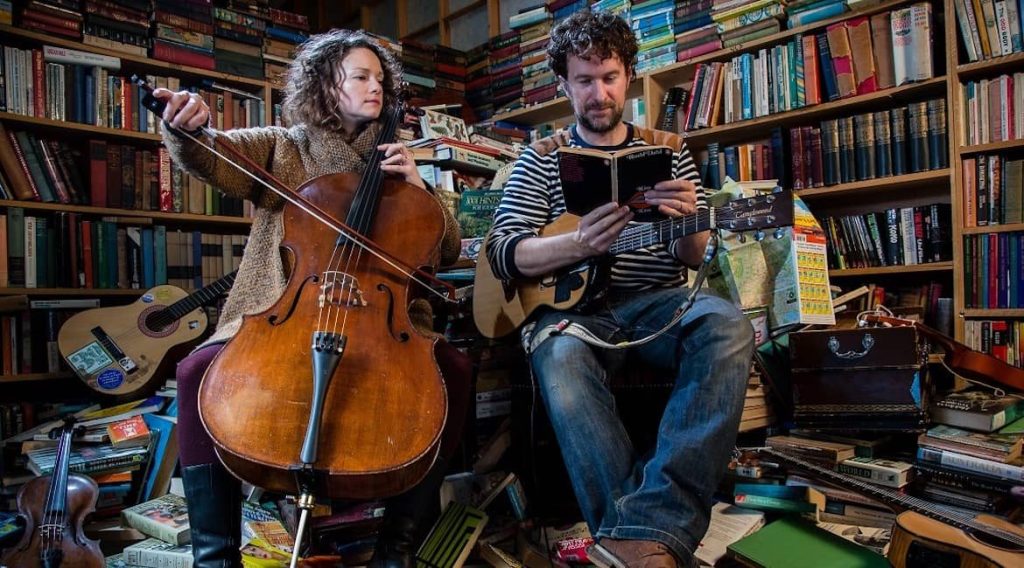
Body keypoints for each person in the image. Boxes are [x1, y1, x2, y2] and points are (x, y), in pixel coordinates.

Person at [155, 29, 471, 568]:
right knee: (194, 371)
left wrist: (421, 190)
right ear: (327, 85)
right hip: (286, 308)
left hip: (385, 322)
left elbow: (444, 248)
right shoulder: (284, 145)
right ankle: (216, 556)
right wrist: (184, 129)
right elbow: (213, 156)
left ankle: (396, 552)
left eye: (381, 78)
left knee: (457, 373)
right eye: (361, 76)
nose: (376, 87)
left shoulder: (399, 160)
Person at [484, 11, 753, 568]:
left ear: (628, 75)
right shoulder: (540, 160)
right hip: (571, 313)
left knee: (728, 324)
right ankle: (647, 546)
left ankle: (637, 532)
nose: (599, 92)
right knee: (559, 356)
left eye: (609, 76)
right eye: (584, 80)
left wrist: (691, 222)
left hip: (654, 301)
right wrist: (579, 244)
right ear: (565, 84)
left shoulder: (667, 148)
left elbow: (696, 256)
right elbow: (504, 254)